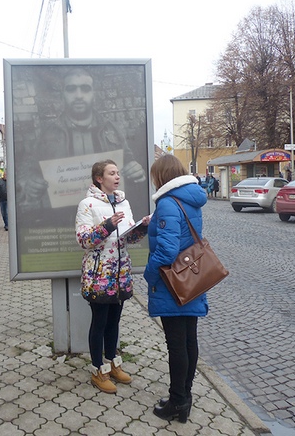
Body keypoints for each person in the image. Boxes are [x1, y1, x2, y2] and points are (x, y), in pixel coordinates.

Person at [18, 68, 147, 209]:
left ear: (94, 95)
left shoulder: (112, 129)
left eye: (85, 89)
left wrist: (135, 170)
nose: (78, 95)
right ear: (63, 95)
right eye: (71, 89)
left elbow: (128, 161)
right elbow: (30, 172)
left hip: (106, 212)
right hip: (62, 218)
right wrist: (31, 184)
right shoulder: (47, 134)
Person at [75, 159, 149, 394]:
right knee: (100, 322)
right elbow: (84, 241)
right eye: (112, 173)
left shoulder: (123, 202)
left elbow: (128, 238)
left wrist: (142, 228)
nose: (117, 177)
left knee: (114, 321)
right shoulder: (87, 204)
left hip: (121, 272)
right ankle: (98, 370)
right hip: (99, 275)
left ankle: (112, 363)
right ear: (99, 178)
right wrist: (107, 225)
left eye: (118, 173)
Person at [143, 154, 208, 423]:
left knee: (177, 345)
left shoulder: (169, 202)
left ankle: (177, 402)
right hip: (193, 278)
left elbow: (168, 249)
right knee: (188, 340)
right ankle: (185, 395)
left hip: (174, 282)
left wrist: (149, 274)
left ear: (161, 176)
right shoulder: (189, 197)